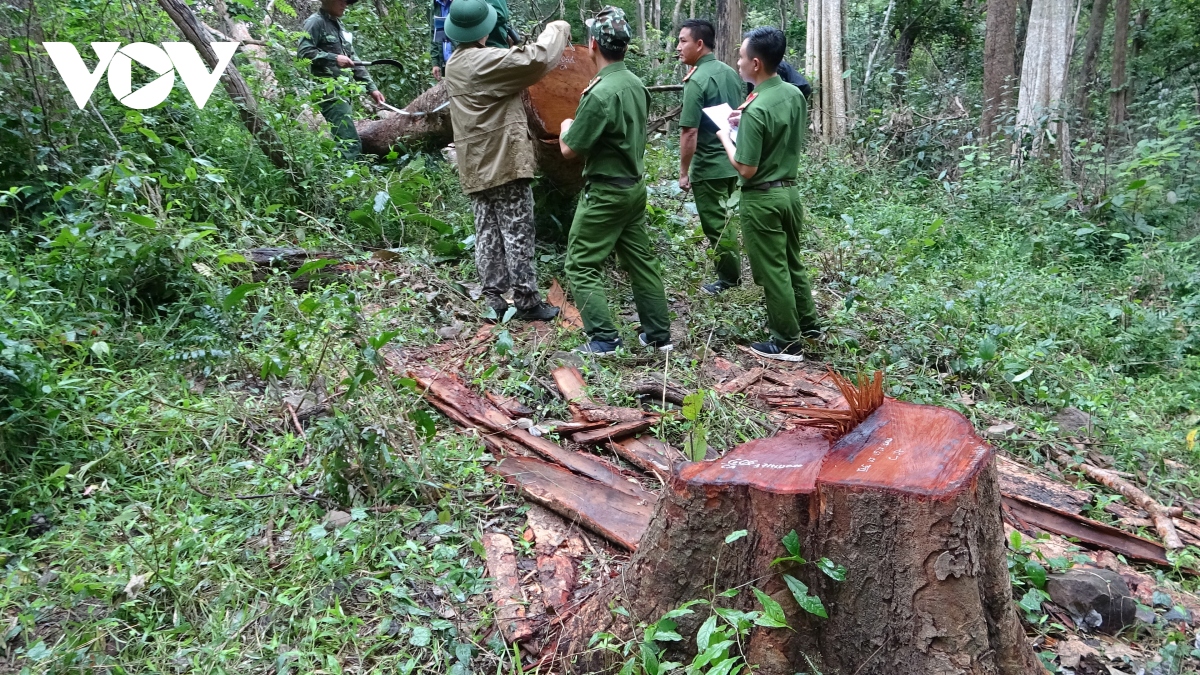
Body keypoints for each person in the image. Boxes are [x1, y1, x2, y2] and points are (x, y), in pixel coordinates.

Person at [443, 0, 571, 321]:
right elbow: (537, 60)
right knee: (517, 231)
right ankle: (527, 302)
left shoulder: (455, 63)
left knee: (487, 230)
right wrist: (556, 29)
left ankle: (494, 300)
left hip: (474, 164)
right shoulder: (484, 62)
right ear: (485, 29)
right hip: (503, 161)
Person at [559, 6, 672, 355]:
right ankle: (658, 336)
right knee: (641, 260)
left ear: (593, 43)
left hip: (606, 192)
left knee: (580, 263)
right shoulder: (636, 84)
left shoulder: (600, 93)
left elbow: (569, 150)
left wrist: (566, 126)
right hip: (634, 188)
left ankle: (604, 340)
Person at [714, 27, 821, 361]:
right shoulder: (791, 94)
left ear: (756, 63)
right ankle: (808, 324)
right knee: (792, 262)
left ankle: (787, 341)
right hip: (789, 193)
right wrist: (741, 119)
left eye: (742, 57)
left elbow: (746, 168)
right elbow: (778, 126)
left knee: (773, 270)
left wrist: (725, 138)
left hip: (762, 198)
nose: (738, 62)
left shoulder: (757, 108)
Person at [675, 18, 746, 296]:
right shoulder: (730, 72)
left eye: (683, 41)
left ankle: (729, 281)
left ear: (699, 44)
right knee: (728, 219)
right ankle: (732, 274)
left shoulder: (697, 79)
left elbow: (689, 132)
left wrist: (684, 171)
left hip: (710, 166)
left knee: (717, 225)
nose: (678, 47)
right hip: (734, 158)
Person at [297, 0, 386, 160]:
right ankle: (350, 182)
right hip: (329, 93)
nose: (345, 4)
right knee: (349, 144)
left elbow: (353, 59)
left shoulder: (339, 25)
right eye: (341, 0)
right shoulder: (315, 22)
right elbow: (304, 52)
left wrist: (371, 88)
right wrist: (333, 58)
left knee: (345, 139)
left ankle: (343, 177)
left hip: (343, 93)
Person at [431, 0, 519, 80]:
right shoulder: (437, 4)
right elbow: (434, 31)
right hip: (463, 56)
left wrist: (473, 21)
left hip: (491, 51)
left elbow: (501, 14)